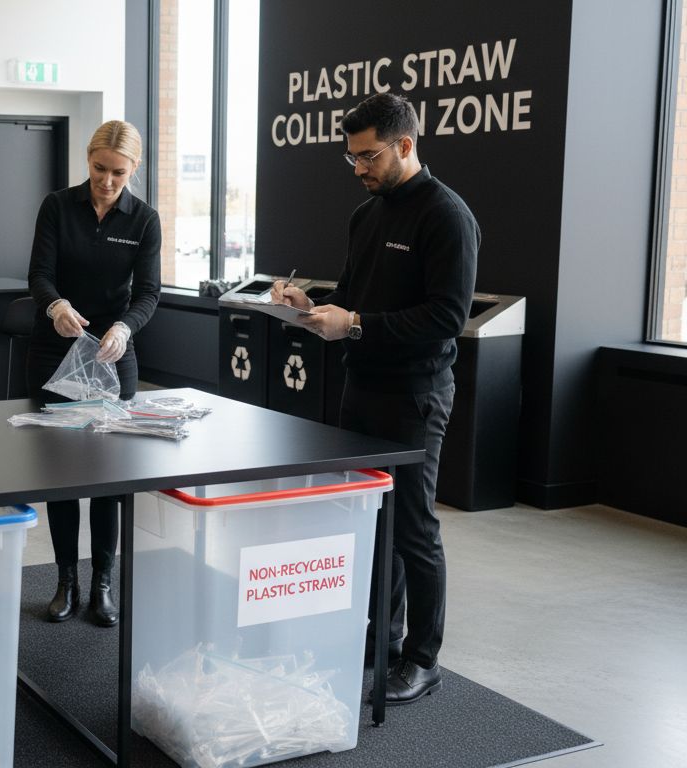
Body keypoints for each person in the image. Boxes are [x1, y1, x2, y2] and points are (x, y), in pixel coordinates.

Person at [271, 92, 478, 705]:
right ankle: (380, 640)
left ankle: (422, 657)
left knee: (414, 527)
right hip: (359, 387)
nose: (358, 168)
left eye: (367, 156)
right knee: (367, 516)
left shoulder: (447, 216)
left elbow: (446, 316)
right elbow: (355, 293)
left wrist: (356, 324)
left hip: (415, 394)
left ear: (406, 145)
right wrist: (310, 308)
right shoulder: (367, 215)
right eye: (351, 157)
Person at [26, 120, 161, 627]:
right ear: (87, 160)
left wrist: (126, 328)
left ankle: (103, 582)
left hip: (112, 349)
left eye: (118, 173)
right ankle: (65, 579)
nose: (107, 181)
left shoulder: (144, 220)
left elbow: (149, 292)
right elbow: (38, 274)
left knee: (109, 477)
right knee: (61, 475)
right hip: (55, 345)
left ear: (135, 170)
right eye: (99, 169)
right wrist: (55, 304)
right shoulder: (58, 206)